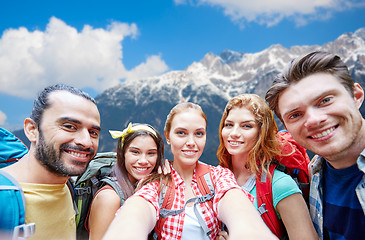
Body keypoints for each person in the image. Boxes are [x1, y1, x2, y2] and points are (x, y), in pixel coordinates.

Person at [103, 102, 277, 240]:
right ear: (168, 136)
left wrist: (247, 230)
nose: (191, 142)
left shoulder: (219, 176)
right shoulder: (156, 181)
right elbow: (139, 207)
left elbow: (235, 203)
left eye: (199, 134)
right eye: (181, 133)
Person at [265, 51, 365, 239]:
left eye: (325, 100)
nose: (313, 120)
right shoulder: (315, 174)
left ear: (357, 96)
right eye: (295, 115)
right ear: (286, 128)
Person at [1, 84, 101, 240]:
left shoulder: (68, 186)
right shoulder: (3, 197)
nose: (86, 142)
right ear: (32, 130)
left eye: (93, 132)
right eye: (69, 126)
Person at [216, 94, 318, 239]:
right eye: (229, 125)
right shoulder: (216, 178)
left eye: (247, 126)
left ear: (261, 133)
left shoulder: (280, 184)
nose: (234, 133)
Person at [87, 123, 165, 240]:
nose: (143, 161)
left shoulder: (149, 185)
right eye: (135, 152)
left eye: (151, 153)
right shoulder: (109, 198)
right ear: (123, 154)